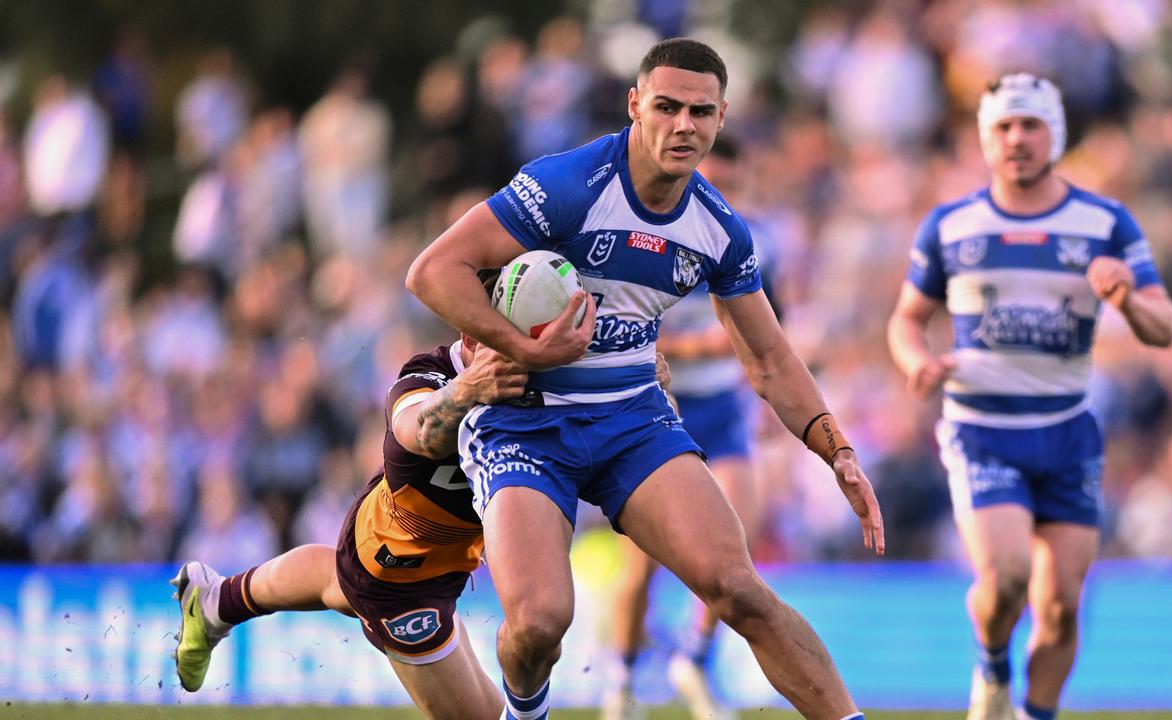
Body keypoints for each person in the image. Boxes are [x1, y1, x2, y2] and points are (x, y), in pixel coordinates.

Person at [405, 37, 885, 720]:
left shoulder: (718, 228)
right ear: (635, 106)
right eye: (666, 107)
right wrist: (521, 348)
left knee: (738, 589)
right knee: (540, 624)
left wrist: (836, 449)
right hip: (525, 421)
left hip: (633, 420)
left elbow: (770, 358)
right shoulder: (569, 185)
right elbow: (432, 271)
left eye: (700, 111)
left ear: (721, 119)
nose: (683, 125)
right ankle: (526, 711)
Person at [886, 74, 1172, 720]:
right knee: (1009, 576)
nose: (1016, 139)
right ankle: (990, 666)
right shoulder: (951, 226)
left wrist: (1127, 295)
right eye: (1002, 127)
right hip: (981, 427)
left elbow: (1167, 328)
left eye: (1031, 125)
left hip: (1067, 430)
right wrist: (916, 362)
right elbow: (907, 317)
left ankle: (1035, 713)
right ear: (985, 138)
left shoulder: (1104, 223)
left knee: (1061, 606)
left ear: (1056, 134)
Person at [172, 301, 526, 719]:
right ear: (469, 338)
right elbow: (420, 432)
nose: (519, 363)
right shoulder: (426, 376)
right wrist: (469, 391)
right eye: (507, 347)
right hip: (399, 578)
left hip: (408, 546)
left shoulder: (534, 385)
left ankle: (217, 600)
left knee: (334, 580)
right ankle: (218, 602)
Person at [601, 136, 767, 720]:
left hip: (720, 408)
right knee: (645, 563)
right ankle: (619, 680)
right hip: (657, 407)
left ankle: (693, 660)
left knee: (737, 541)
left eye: (731, 185)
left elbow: (764, 331)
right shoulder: (651, 238)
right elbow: (624, 329)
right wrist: (698, 345)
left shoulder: (748, 243)